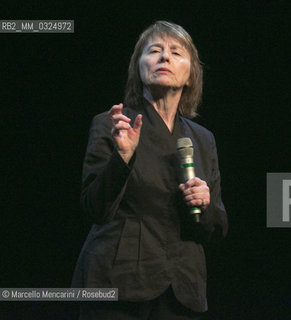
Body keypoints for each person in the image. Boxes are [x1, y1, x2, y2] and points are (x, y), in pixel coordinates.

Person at [72, 21, 228, 319]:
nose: (164, 57)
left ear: (191, 75)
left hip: (182, 290)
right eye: (154, 50)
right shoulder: (112, 124)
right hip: (119, 284)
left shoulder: (203, 139)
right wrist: (123, 158)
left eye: (175, 52)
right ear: (139, 69)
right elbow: (94, 209)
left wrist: (205, 204)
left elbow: (218, 228)